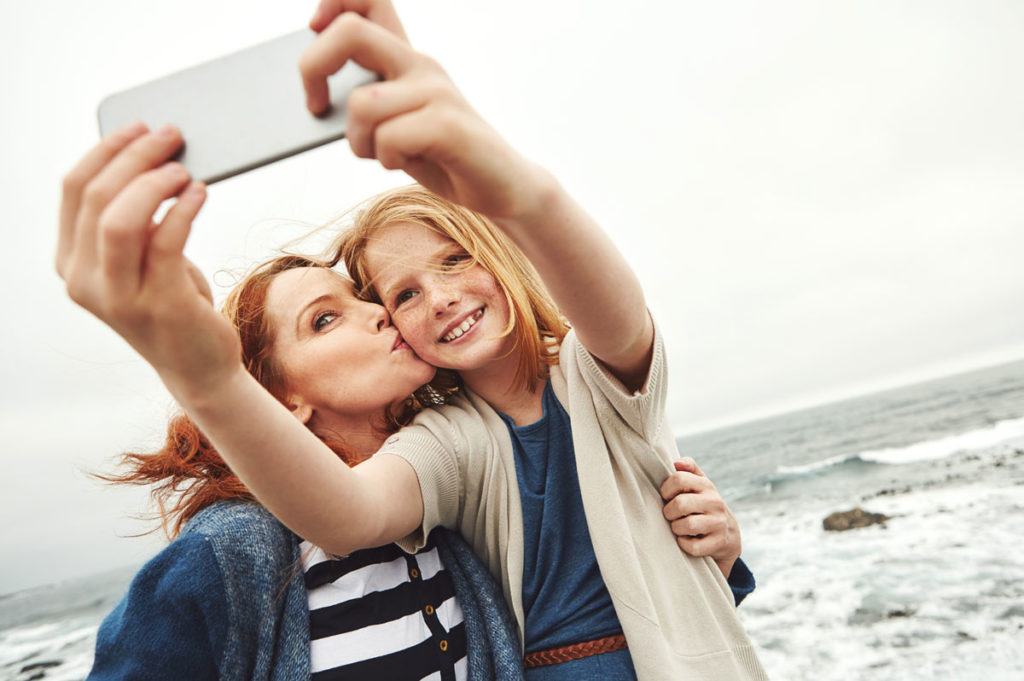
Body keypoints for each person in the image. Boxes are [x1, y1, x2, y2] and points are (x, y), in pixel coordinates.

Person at [56, 1, 764, 680]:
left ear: (496, 250)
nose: (441, 296)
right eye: (402, 295)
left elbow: (616, 312)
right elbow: (347, 514)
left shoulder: (593, 375)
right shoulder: (447, 438)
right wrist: (208, 378)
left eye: (455, 259)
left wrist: (514, 189)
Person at [76, 255, 524, 681]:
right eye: (324, 320)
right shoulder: (230, 548)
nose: (378, 312)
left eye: (360, 296)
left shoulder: (443, 496)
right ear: (283, 402)